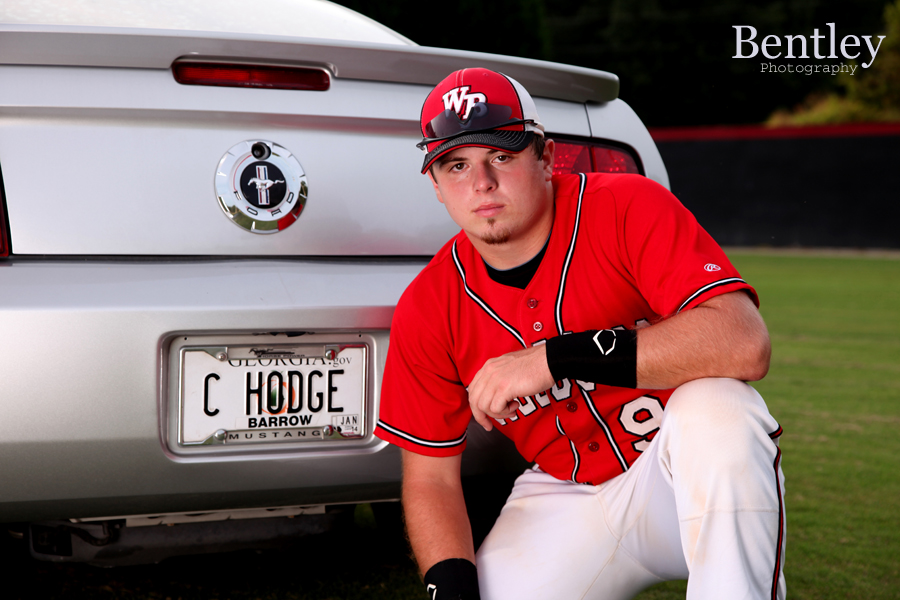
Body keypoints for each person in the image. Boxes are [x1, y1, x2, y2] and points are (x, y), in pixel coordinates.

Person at [374, 68, 785, 600]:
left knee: (721, 409)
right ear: (436, 185)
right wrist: (448, 586)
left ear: (545, 157)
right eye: (456, 165)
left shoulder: (625, 206)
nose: (482, 183)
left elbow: (744, 341)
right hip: (565, 495)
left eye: (501, 155)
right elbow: (430, 479)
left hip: (680, 473)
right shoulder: (429, 304)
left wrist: (556, 357)